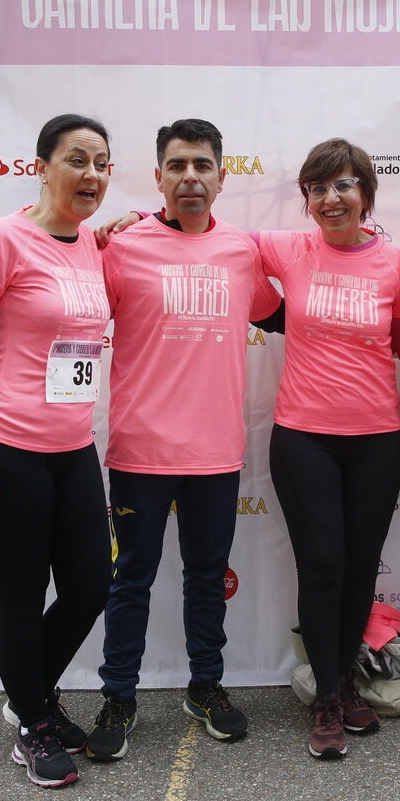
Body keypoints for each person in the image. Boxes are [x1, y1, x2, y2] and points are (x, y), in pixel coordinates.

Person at [84, 119, 282, 762]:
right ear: (159, 177)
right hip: (140, 450)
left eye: (202, 165)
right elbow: (65, 304)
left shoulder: (242, 252)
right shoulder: (120, 247)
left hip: (216, 452)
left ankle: (207, 687)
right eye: (178, 165)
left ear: (223, 178)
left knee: (205, 578)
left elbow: (283, 313)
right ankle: (119, 693)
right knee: (131, 579)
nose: (190, 176)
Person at [0, 114, 114, 788]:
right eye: (76, 159)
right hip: (5, 446)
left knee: (92, 583)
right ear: (42, 166)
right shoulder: (2, 239)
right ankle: (34, 723)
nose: (91, 173)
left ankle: (29, 695)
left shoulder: (93, 243)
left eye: (101, 162)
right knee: (22, 593)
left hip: (73, 448)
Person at [258, 139, 400, 759]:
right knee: (322, 565)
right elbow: (205, 238)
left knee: (358, 566)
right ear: (307, 201)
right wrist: (137, 223)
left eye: (343, 186)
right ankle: (325, 696)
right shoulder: (289, 250)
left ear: (366, 196)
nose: (330, 198)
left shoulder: (398, 264)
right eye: (318, 189)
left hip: (376, 439)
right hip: (303, 439)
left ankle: (345, 679)